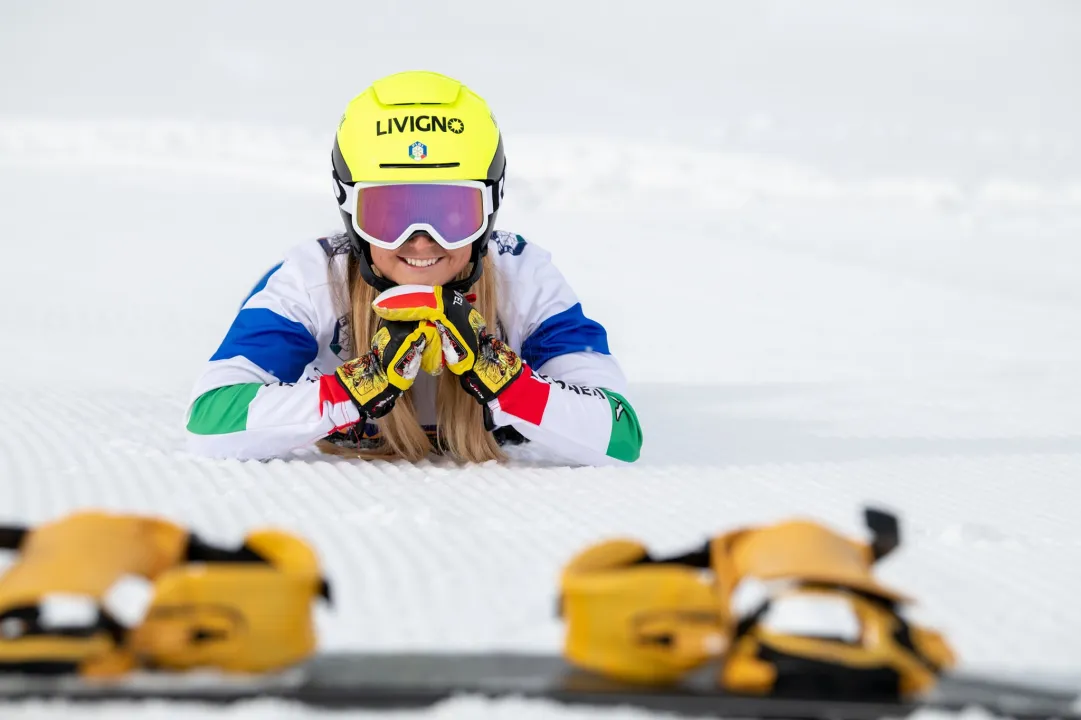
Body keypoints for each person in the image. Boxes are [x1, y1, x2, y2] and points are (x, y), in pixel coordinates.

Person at [184, 70, 642, 466]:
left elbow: (619, 433)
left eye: (452, 213)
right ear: (351, 214)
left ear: (490, 211)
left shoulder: (523, 277)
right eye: (388, 213)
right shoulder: (314, 278)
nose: (421, 240)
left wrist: (499, 374)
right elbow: (209, 420)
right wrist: (355, 387)